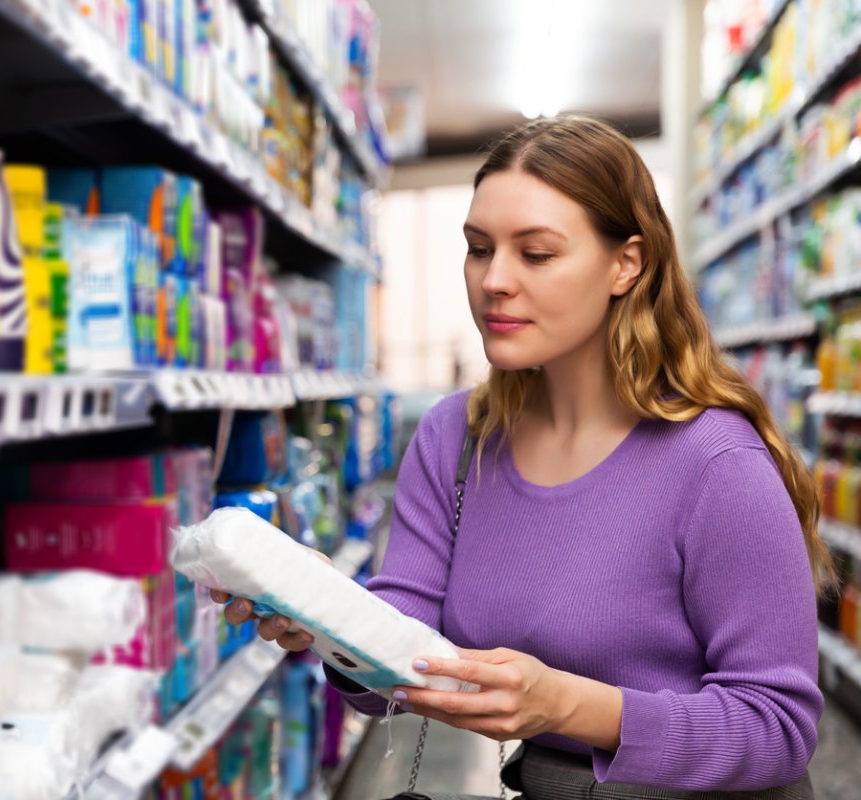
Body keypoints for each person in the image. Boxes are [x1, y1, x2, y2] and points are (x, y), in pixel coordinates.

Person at [213, 115, 830, 799]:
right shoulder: (456, 441)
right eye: (479, 249)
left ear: (627, 263)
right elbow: (397, 659)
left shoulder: (717, 465)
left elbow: (778, 727)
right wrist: (325, 615)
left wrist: (568, 705)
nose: (494, 281)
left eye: (535, 254)